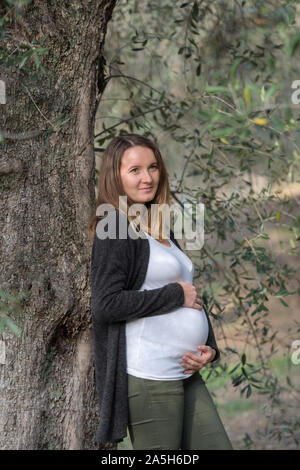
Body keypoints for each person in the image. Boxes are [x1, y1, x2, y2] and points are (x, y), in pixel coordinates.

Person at [89, 133, 233, 450]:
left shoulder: (156, 225)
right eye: (135, 170)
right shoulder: (115, 226)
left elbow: (188, 292)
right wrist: (174, 296)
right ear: (115, 176)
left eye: (153, 167)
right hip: (150, 373)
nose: (148, 177)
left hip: (185, 371)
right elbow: (105, 304)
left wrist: (208, 347)